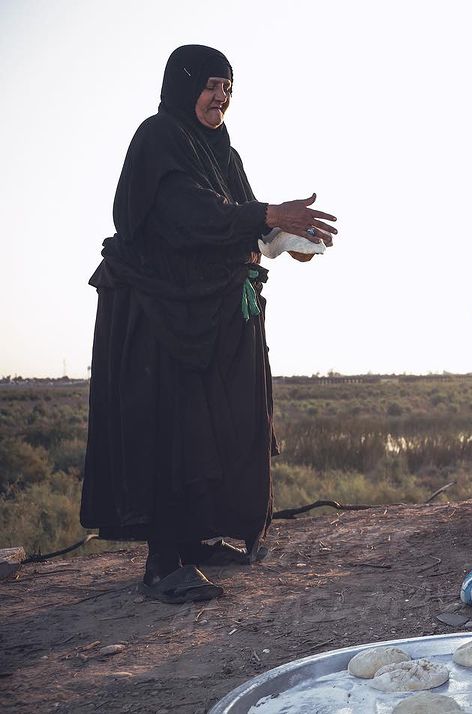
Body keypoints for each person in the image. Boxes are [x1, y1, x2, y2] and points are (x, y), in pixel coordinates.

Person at [80, 45, 338, 604]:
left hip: (209, 309)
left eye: (228, 89)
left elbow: (238, 218)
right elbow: (187, 214)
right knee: (172, 429)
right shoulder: (158, 138)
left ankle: (195, 540)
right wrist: (270, 215)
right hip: (161, 312)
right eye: (211, 86)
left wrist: (285, 237)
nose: (220, 98)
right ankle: (161, 564)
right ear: (183, 86)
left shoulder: (223, 151)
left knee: (214, 427)